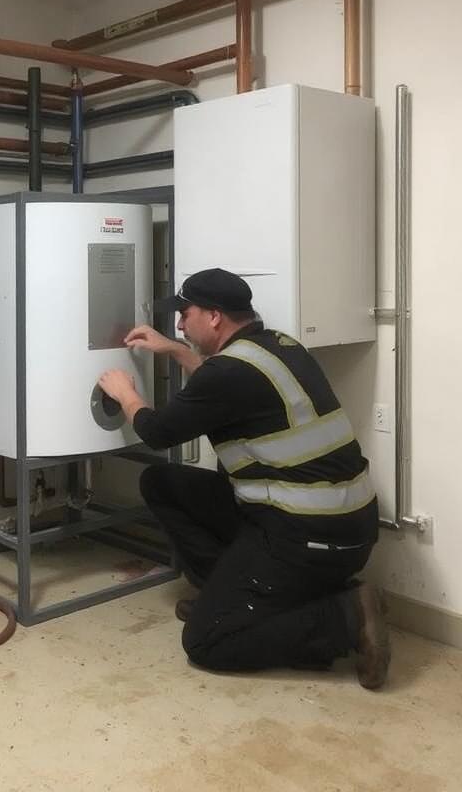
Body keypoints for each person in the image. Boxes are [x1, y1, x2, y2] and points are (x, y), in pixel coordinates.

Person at [97, 267, 390, 689]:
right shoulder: (279, 346)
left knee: (206, 642)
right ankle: (229, 596)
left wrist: (124, 392)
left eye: (185, 314)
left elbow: (158, 431)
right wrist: (176, 351)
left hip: (308, 538)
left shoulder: (227, 373)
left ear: (214, 316)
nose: (179, 325)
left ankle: (345, 617)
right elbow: (224, 385)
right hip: (341, 525)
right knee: (162, 484)